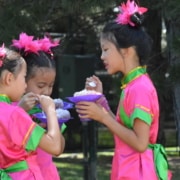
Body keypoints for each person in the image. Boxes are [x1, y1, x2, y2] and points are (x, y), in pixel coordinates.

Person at [75, 0, 172, 179]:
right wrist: (101, 103)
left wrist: (103, 116)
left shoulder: (139, 88)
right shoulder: (133, 84)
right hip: (130, 169)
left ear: (127, 51)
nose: (102, 56)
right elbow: (124, 130)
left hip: (138, 172)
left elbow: (140, 143)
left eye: (106, 50)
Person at [0, 44, 64, 180]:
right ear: (9, 78)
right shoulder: (14, 113)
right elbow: (55, 147)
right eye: (23, 77)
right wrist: (51, 110)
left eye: (51, 86)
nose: (24, 85)